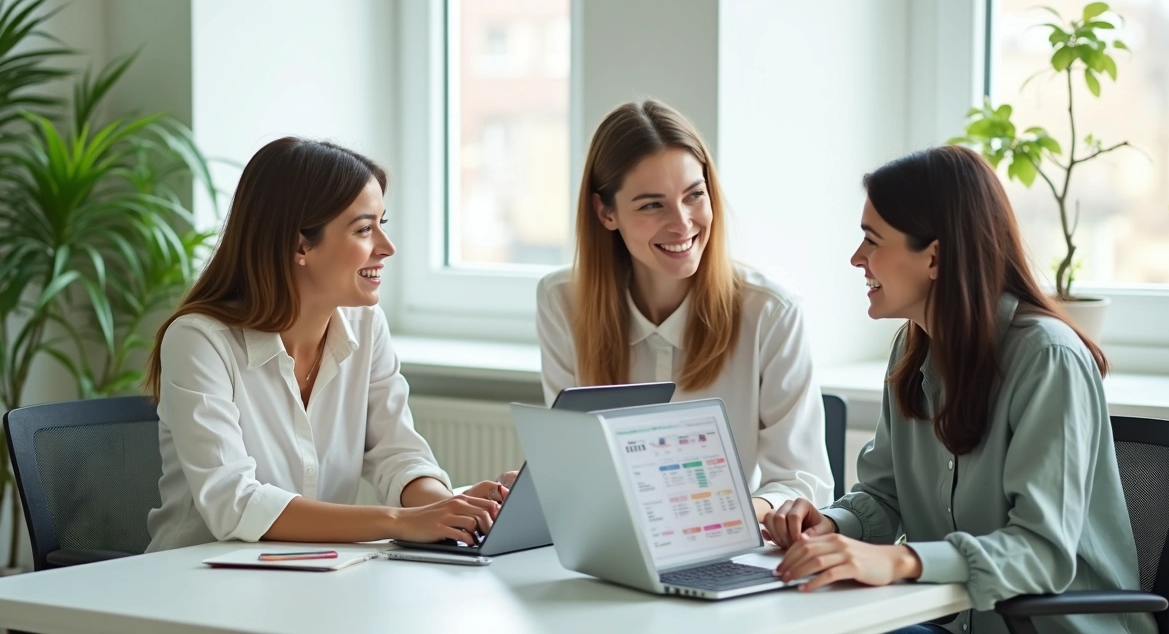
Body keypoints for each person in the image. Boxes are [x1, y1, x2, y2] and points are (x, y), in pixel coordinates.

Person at [763, 145, 1154, 634]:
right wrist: (833, 526)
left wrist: (901, 561)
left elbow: (1041, 552)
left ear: (935, 257)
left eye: (872, 241)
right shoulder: (912, 350)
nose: (856, 258)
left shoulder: (1047, 358)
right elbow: (885, 496)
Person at [145, 137, 504, 552]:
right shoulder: (200, 340)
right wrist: (401, 522)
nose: (386, 249)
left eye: (381, 225)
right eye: (364, 229)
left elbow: (399, 456)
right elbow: (235, 502)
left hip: (313, 579)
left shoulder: (366, 326)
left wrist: (455, 512)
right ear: (301, 245)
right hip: (193, 584)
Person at [513, 99, 834, 519]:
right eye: (652, 205)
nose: (682, 224)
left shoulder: (771, 313)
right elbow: (578, 467)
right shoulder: (563, 302)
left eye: (694, 196)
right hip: (615, 543)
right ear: (605, 212)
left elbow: (801, 482)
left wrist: (720, 513)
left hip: (732, 544)